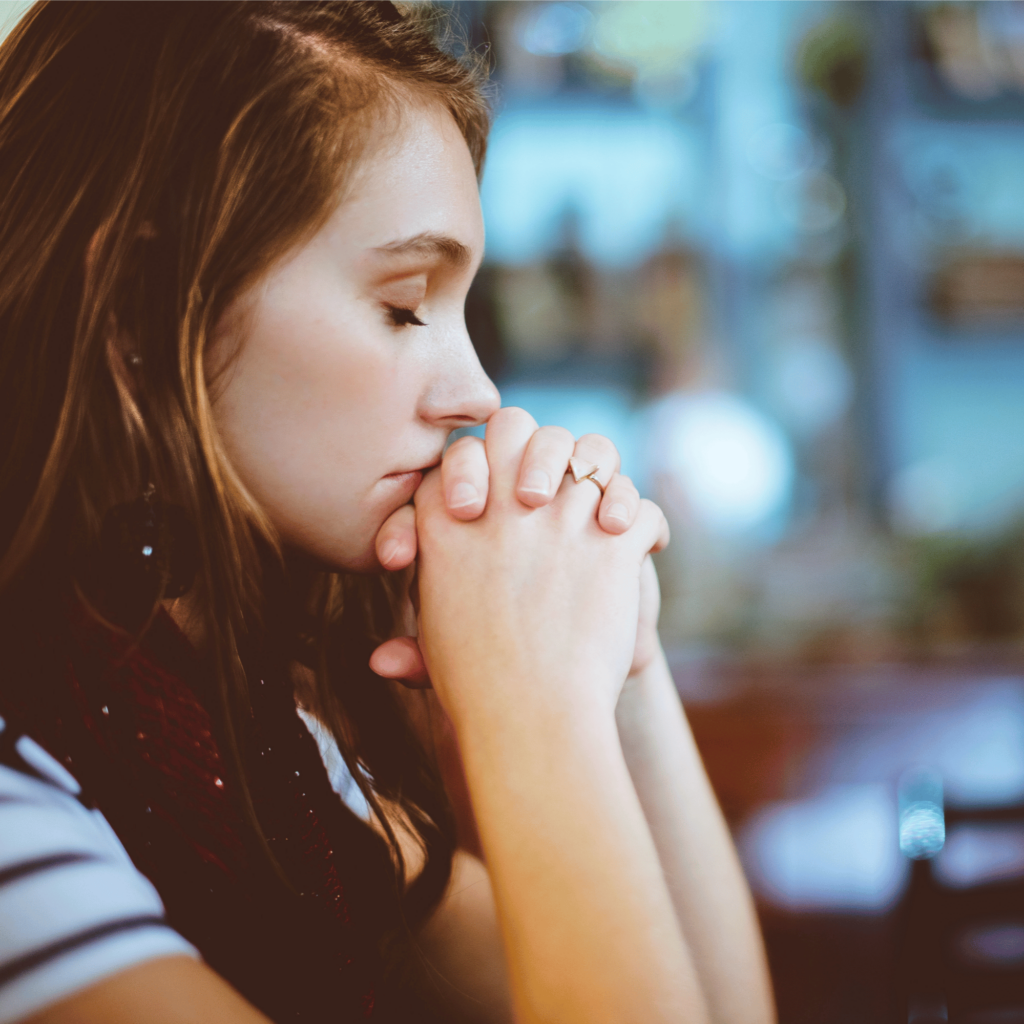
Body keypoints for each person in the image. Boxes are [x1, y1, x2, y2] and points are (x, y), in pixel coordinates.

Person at [0, 3, 776, 1023]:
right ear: (147, 307)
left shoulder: (251, 735)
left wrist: (614, 656)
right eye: (406, 303)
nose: (480, 393)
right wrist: (530, 706)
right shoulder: (24, 807)